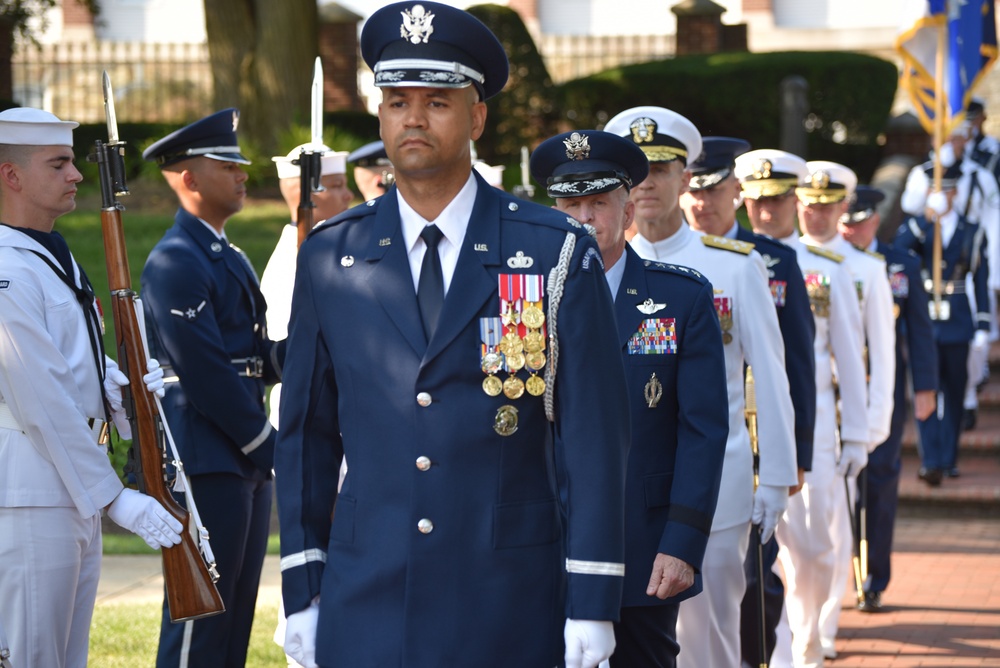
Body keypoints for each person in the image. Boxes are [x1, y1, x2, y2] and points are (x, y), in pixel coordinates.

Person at [276, 4, 630, 668]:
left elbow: (594, 437)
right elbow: (305, 436)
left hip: (508, 592)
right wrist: (302, 585)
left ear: (475, 117)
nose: (413, 118)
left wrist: (592, 595)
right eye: (397, 101)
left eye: (438, 101)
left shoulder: (552, 250)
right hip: (368, 588)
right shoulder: (331, 255)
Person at [604, 107, 798, 668]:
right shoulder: (603, 267)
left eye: (660, 170)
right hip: (626, 494)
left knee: (709, 640)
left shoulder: (735, 268)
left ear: (685, 180)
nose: (645, 184)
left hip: (716, 489)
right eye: (634, 172)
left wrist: (778, 479)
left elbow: (770, 373)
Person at [531, 128, 729, 667]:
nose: (585, 219)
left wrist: (683, 542)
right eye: (571, 204)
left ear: (628, 213)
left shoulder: (680, 299)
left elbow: (703, 430)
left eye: (599, 203)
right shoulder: (518, 300)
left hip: (641, 546)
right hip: (540, 543)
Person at [0, 107, 181, 668]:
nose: (76, 175)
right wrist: (112, 496)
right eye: (59, 164)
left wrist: (122, 391)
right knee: (32, 657)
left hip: (68, 490)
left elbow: (72, 364)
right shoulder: (8, 267)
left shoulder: (48, 255)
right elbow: (41, 397)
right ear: (12, 177)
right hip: (29, 495)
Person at [140, 108, 285, 668]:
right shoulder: (177, 261)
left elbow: (255, 359)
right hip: (205, 456)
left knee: (234, 618)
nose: (242, 173)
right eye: (226, 164)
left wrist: (316, 342)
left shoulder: (228, 255)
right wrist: (266, 446)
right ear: (189, 179)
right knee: (202, 621)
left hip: (239, 459)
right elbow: (205, 374)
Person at [678, 137, 817, 667]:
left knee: (757, 577)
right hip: (695, 446)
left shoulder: (768, 261)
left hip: (752, 441)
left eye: (712, 192)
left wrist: (793, 460)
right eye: (693, 191)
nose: (701, 203)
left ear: (735, 192)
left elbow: (793, 367)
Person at [735, 148, 868, 668]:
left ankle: (812, 630)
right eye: (758, 201)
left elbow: (850, 357)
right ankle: (789, 645)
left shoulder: (823, 265)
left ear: (796, 200)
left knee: (811, 549)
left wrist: (857, 431)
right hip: (744, 429)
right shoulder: (728, 254)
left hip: (809, 423)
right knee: (758, 559)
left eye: (778, 201)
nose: (767, 213)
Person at [795, 161, 896, 658]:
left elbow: (880, 353)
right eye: (808, 206)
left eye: (825, 207)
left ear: (842, 209)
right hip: (797, 413)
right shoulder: (779, 258)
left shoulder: (865, 269)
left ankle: (826, 625)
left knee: (833, 525)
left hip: (839, 416)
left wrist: (869, 429)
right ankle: (797, 625)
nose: (815, 215)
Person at [838, 185, 938, 611]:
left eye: (857, 224)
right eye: (845, 224)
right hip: (835, 391)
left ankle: (873, 577)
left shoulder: (900, 264)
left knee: (879, 480)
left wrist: (926, 387)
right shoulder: (824, 261)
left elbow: (918, 329)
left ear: (875, 222)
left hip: (884, 390)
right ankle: (836, 573)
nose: (849, 232)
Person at [900, 123, 999, 434]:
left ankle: (968, 396)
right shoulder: (922, 173)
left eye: (956, 137)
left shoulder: (978, 176)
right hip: (931, 282)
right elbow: (908, 209)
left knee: (974, 348)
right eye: (945, 136)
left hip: (965, 271)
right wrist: (930, 209)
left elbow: (991, 221)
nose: (952, 143)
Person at [895, 164, 991, 486]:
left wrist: (982, 324)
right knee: (925, 388)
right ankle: (930, 459)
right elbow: (899, 251)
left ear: (954, 192)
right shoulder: (918, 227)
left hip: (957, 318)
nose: (942, 196)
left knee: (953, 390)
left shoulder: (972, 229)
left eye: (946, 190)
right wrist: (926, 220)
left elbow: (980, 279)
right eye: (935, 191)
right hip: (923, 319)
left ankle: (949, 458)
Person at [261, 143, 353, 429]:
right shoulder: (294, 260)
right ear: (310, 192)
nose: (348, 195)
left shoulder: (324, 251)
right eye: (337, 186)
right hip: (308, 410)